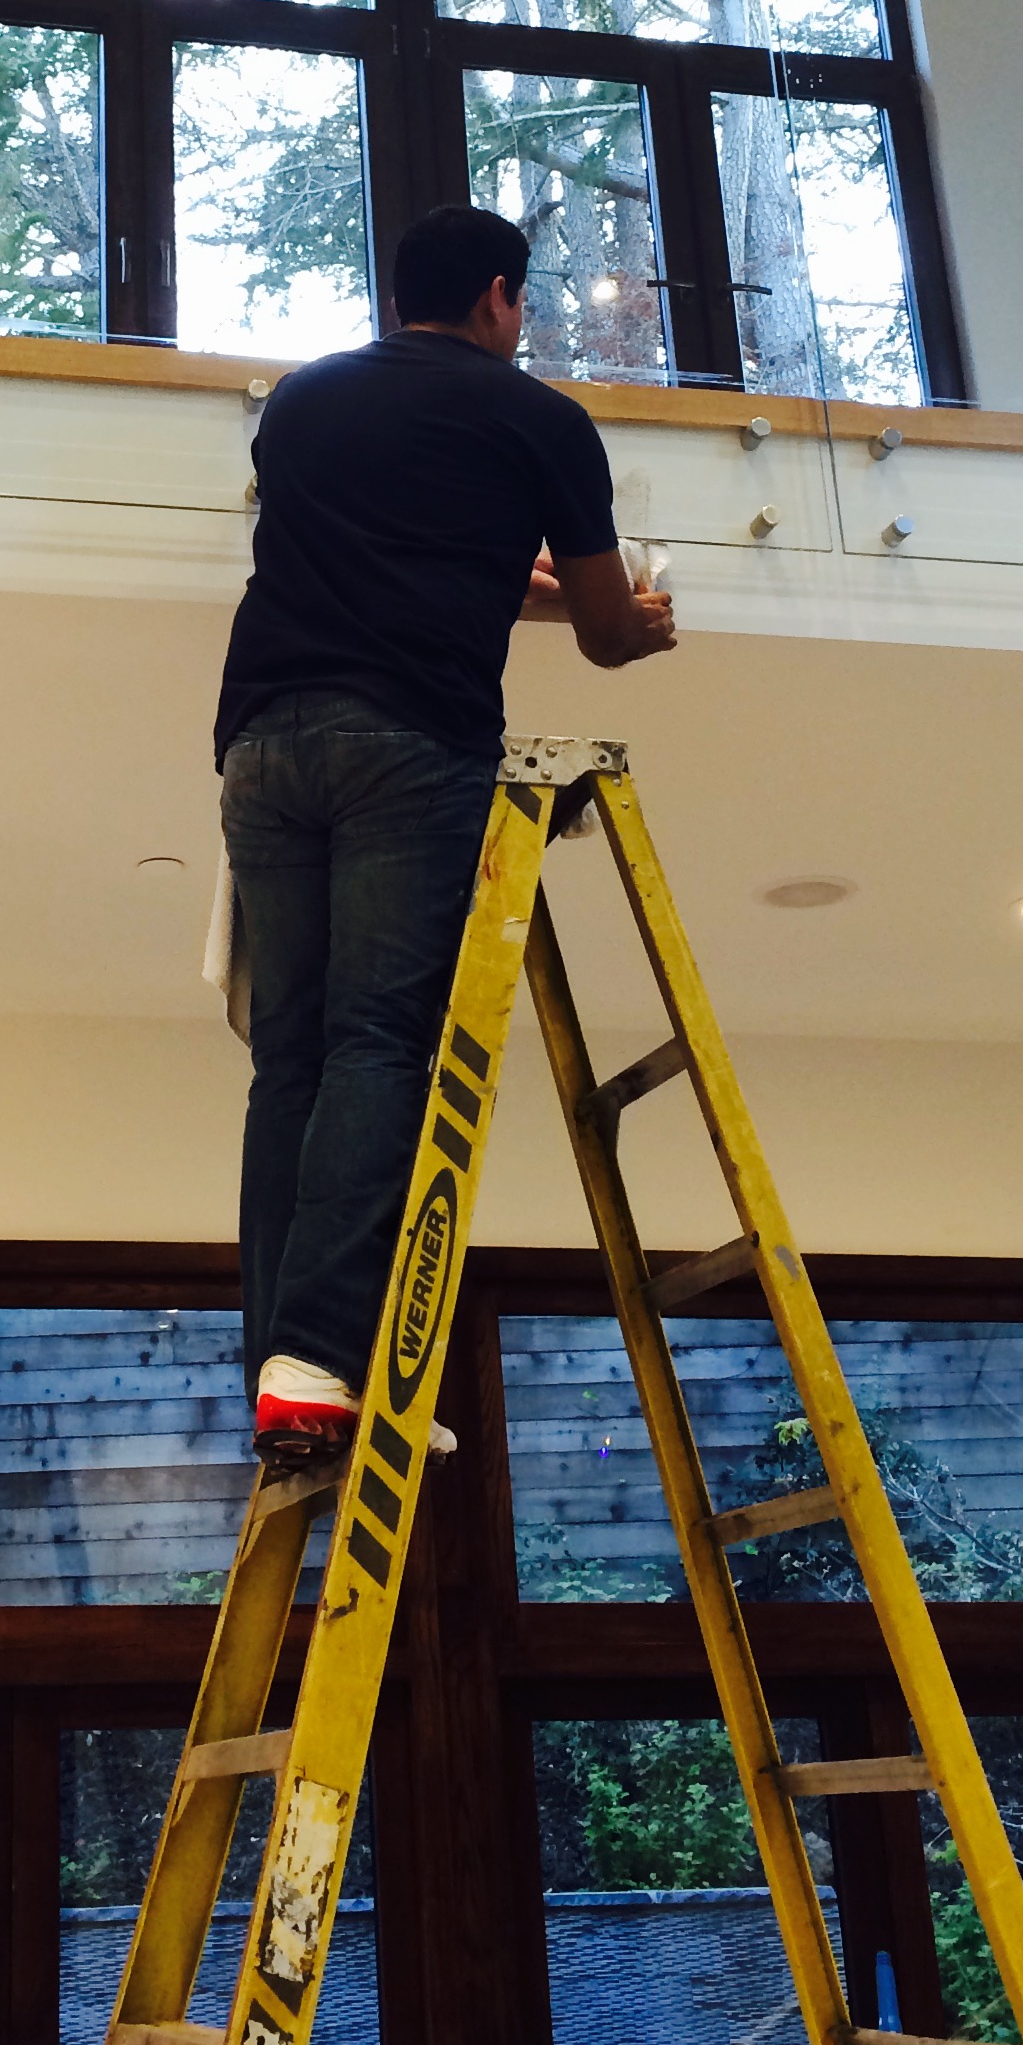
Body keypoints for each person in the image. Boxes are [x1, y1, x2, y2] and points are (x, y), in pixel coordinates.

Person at [214, 204, 677, 1462]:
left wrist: (536, 591)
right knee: (377, 1046)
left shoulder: (304, 402)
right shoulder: (541, 423)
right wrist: (643, 623)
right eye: (523, 303)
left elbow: (411, 558)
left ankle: (285, 1370)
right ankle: (321, 1363)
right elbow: (599, 630)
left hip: (261, 740)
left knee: (293, 1058)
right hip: (410, 743)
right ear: (496, 298)